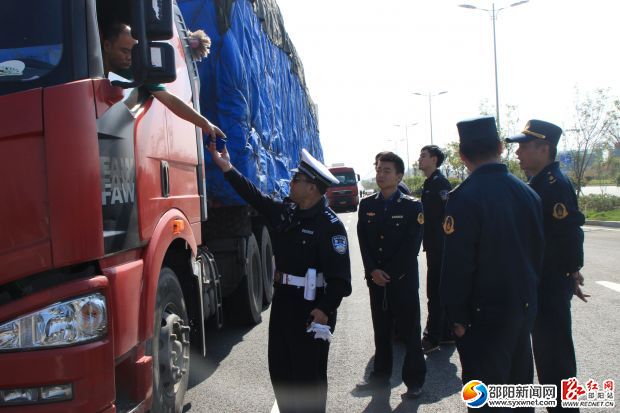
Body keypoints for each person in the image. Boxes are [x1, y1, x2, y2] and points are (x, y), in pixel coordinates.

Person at [206, 143, 352, 413]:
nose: (291, 182)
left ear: (312, 188)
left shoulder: (330, 226)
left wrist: (323, 310)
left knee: (308, 379)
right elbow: (255, 197)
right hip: (284, 305)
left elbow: (341, 280)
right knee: (281, 372)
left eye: (297, 179)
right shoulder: (287, 212)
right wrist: (226, 166)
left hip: (313, 309)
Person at [440, 116, 544, 412]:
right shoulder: (528, 193)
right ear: (501, 147)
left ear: (462, 157)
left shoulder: (464, 197)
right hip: (522, 310)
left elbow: (458, 264)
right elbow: (537, 253)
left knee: (485, 398)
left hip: (481, 318)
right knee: (519, 391)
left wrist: (456, 317)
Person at [506, 120, 589, 412]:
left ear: (544, 149)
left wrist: (570, 271)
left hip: (549, 284)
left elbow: (568, 233)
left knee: (555, 360)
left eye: (523, 147)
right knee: (547, 355)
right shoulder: (540, 182)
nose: (517, 153)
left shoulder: (553, 184)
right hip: (543, 283)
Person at [356, 151, 426, 399]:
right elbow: (363, 242)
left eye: (387, 170)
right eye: (378, 169)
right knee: (381, 331)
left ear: (398, 176)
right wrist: (373, 270)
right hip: (377, 282)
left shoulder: (412, 206)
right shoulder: (367, 205)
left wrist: (389, 273)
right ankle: (380, 377)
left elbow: (411, 247)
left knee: (410, 332)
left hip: (403, 281)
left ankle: (415, 380)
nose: (381, 174)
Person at [101, 22, 224, 140]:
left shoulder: (138, 71)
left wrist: (205, 123)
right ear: (107, 46)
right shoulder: (85, 69)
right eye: (124, 51)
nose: (129, 57)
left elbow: (169, 99)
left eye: (132, 52)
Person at [417, 145, 452, 354]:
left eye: (424, 156)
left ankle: (433, 337)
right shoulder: (429, 183)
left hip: (441, 247)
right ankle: (446, 333)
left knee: (435, 291)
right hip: (433, 246)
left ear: (434, 160)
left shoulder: (440, 184)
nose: (419, 159)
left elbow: (448, 218)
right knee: (439, 290)